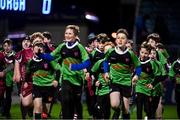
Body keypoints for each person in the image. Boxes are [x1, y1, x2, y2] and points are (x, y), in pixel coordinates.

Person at [40, 25, 90, 119]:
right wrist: (40, 54)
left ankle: (78, 116)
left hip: (77, 79)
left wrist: (76, 67)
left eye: (70, 33)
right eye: (66, 33)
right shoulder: (62, 46)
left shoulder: (79, 47)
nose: (67, 35)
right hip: (66, 78)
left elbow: (87, 62)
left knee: (76, 102)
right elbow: (51, 57)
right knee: (65, 100)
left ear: (75, 36)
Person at [103, 28, 141, 119]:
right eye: (118, 38)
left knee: (126, 110)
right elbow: (105, 62)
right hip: (114, 82)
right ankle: (119, 108)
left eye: (123, 38)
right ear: (116, 40)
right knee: (114, 105)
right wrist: (106, 72)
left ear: (126, 40)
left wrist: (136, 75)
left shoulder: (130, 54)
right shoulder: (110, 52)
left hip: (126, 83)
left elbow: (139, 67)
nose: (120, 40)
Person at [25, 41, 59, 119]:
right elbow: (27, 73)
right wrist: (26, 82)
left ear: (43, 50)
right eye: (36, 47)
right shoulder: (31, 62)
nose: (39, 48)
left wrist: (56, 80)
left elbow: (58, 70)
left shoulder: (49, 59)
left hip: (49, 87)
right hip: (37, 87)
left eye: (40, 47)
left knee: (45, 111)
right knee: (38, 107)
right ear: (33, 49)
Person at [91, 41, 114, 119]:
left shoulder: (115, 63)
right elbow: (93, 71)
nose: (108, 51)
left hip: (111, 90)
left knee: (107, 110)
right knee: (99, 110)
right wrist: (95, 80)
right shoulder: (100, 62)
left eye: (110, 50)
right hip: (101, 90)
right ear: (104, 51)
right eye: (106, 50)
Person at [13, 35, 34, 119]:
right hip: (22, 80)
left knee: (30, 100)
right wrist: (15, 76)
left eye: (28, 41)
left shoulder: (33, 52)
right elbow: (16, 66)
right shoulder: (18, 54)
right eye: (24, 41)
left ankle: (31, 108)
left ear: (31, 43)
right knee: (22, 99)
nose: (25, 43)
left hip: (32, 80)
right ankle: (23, 117)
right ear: (21, 43)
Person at [0, 39, 16, 118]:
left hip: (10, 79)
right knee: (1, 96)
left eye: (9, 46)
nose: (7, 47)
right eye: (5, 46)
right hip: (1, 80)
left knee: (8, 96)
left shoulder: (15, 55)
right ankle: (3, 110)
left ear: (11, 46)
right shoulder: (1, 54)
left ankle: (7, 112)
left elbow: (14, 66)